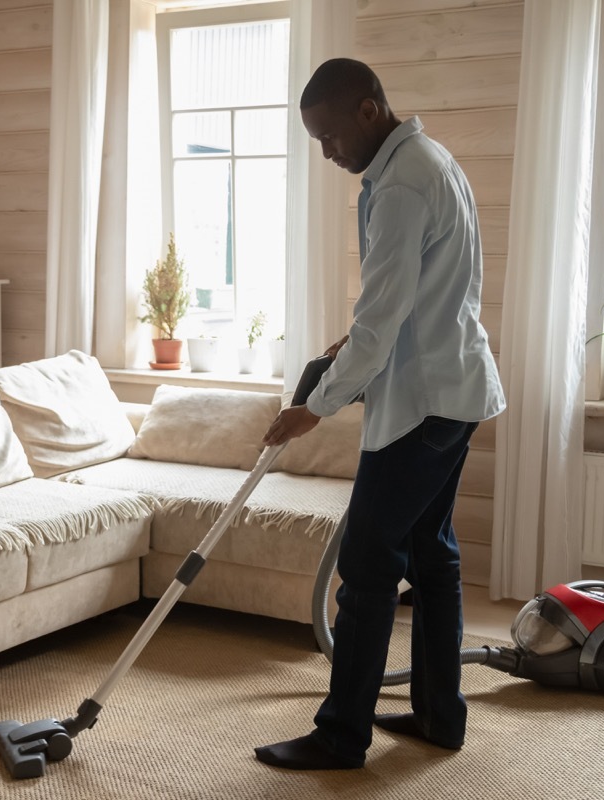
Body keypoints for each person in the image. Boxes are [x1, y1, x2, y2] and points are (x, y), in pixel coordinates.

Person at [254, 58, 505, 771]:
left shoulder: (401, 184)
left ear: (368, 111)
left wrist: (316, 406)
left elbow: (384, 318)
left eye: (329, 135)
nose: (326, 152)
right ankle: (438, 713)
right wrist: (349, 345)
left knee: (366, 571)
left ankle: (341, 736)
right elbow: (410, 298)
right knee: (432, 558)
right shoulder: (429, 161)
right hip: (453, 392)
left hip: (422, 406)